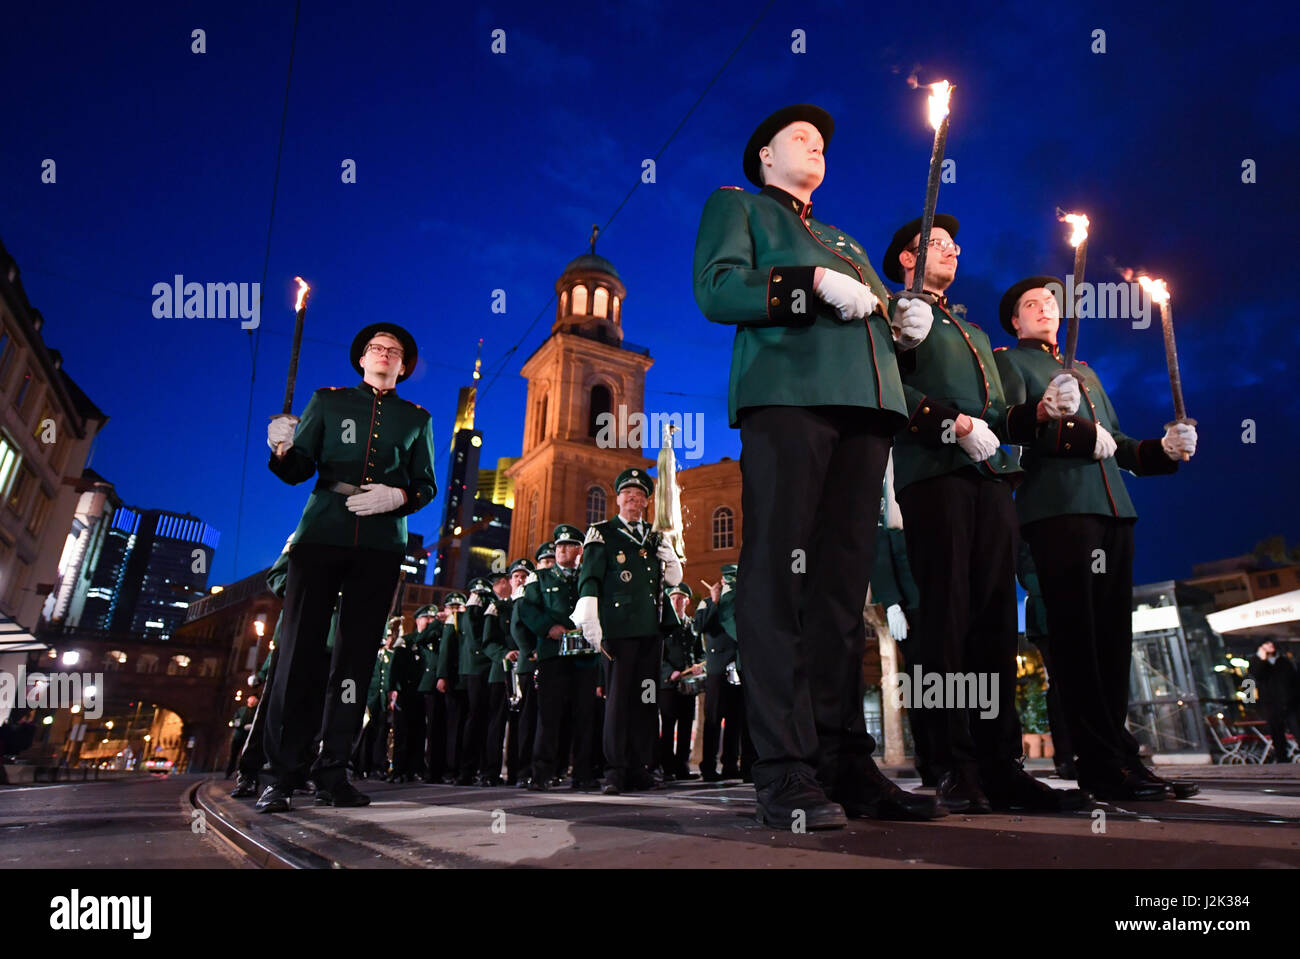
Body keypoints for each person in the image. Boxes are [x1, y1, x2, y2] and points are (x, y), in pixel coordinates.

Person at [692, 104, 943, 828]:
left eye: (825, 142)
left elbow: (874, 326)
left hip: (865, 413)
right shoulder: (738, 207)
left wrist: (905, 326)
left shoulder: (843, 238)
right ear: (764, 156)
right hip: (790, 400)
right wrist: (806, 287)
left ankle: (844, 761)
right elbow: (717, 287)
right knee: (778, 583)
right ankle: (785, 769)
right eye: (801, 138)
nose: (817, 146)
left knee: (839, 593)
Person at [880, 215, 1081, 814]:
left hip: (991, 479)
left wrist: (1040, 413)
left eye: (953, 244)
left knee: (995, 624)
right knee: (944, 619)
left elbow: (1002, 415)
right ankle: (948, 761)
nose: (951, 250)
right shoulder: (899, 319)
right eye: (936, 244)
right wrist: (952, 424)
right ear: (907, 261)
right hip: (936, 476)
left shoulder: (967, 330)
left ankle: (999, 762)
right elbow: (890, 387)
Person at [994, 275, 1199, 800]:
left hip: (1112, 511)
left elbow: (1122, 445)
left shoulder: (1083, 369)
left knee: (1112, 642)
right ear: (1015, 321)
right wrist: (1069, 428)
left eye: (1050, 303)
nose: (1045, 309)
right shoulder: (1010, 363)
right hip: (1059, 510)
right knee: (1078, 643)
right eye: (1031, 304)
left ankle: (1121, 756)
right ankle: (1099, 762)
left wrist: (1163, 449)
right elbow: (1012, 431)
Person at [256, 322, 436, 813]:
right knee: (298, 655)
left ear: (404, 366)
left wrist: (397, 496)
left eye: (393, 350)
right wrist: (281, 447)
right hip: (322, 536)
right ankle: (281, 774)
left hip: (379, 545)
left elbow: (425, 485)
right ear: (362, 358)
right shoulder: (329, 402)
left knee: (354, 662)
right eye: (376, 348)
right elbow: (297, 472)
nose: (383, 354)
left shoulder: (416, 419)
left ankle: (334, 770)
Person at [573, 469, 683, 794]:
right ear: (618, 499)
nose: (633, 499)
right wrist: (589, 614)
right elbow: (590, 576)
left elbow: (673, 581)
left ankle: (640, 766)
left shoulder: (654, 536)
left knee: (646, 700)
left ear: (647, 502)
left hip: (650, 629)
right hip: (618, 630)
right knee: (618, 701)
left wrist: (672, 559)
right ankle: (616, 770)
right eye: (627, 494)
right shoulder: (602, 532)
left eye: (639, 495)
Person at [519, 524, 602, 790]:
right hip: (552, 654)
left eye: (569, 545)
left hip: (584, 654)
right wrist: (547, 628)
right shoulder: (539, 578)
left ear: (580, 550)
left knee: (584, 715)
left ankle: (582, 774)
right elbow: (526, 609)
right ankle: (542, 773)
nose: (562, 550)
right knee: (549, 716)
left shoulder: (589, 578)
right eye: (559, 546)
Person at [481, 560, 532, 786]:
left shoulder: (533, 607)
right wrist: (504, 653)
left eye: (524, 576)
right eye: (516, 576)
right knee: (496, 724)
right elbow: (488, 641)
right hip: (501, 673)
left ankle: (517, 773)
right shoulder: (498, 608)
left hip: (524, 672)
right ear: (509, 581)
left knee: (522, 724)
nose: (520, 580)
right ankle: (490, 773)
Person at [659, 584, 704, 780]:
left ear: (687, 601)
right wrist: (670, 672)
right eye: (674, 598)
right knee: (668, 725)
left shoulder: (692, 624)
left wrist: (698, 666)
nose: (677, 602)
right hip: (668, 684)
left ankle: (682, 766)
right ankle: (667, 767)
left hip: (688, 683)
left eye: (681, 598)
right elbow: (658, 655)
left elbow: (699, 652)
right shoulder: (663, 626)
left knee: (686, 725)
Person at [435, 592, 470, 782]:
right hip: (450, 680)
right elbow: (445, 652)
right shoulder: (446, 624)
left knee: (460, 726)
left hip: (463, 679)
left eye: (459, 607)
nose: (455, 611)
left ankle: (457, 767)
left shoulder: (465, 623)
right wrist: (442, 675)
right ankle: (448, 768)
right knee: (449, 727)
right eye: (452, 608)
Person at [411, 604, 446, 783]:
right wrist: (436, 624)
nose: (432, 621)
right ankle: (421, 767)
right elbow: (421, 638)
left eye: (434, 618)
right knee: (423, 730)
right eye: (428, 618)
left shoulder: (440, 635)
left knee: (437, 730)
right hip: (426, 686)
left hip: (440, 686)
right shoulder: (425, 636)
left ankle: (434, 769)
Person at [1252, 641, 1300, 762]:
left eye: (1271, 644)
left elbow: (1294, 680)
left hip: (1290, 703)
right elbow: (1256, 675)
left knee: (1297, 727)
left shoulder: (1283, 661)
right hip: (1271, 704)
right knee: (1277, 732)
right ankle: (1282, 758)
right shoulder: (1256, 661)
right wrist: (1262, 659)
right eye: (1267, 644)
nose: (1271, 646)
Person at [226, 696, 257, 777]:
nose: (252, 702)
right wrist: (236, 723)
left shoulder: (256, 711)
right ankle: (229, 771)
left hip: (248, 737)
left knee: (245, 755)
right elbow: (235, 719)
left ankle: (241, 772)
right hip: (238, 735)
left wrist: (252, 726)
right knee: (233, 754)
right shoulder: (241, 710)